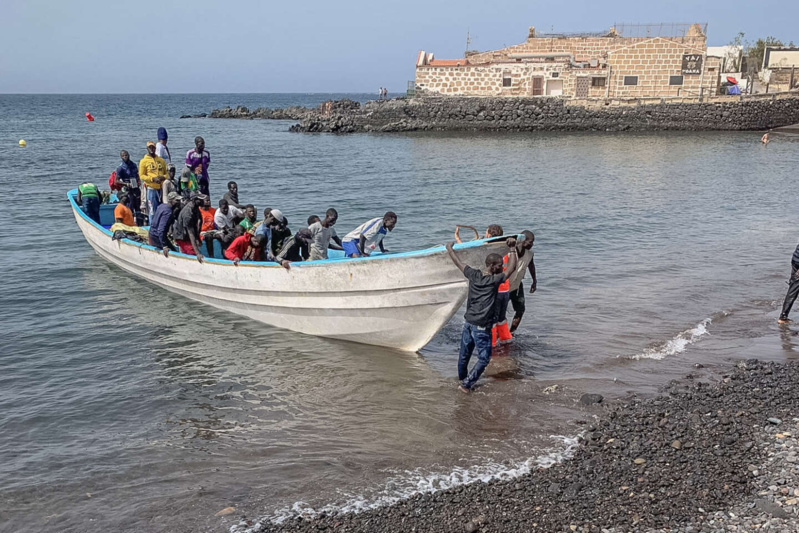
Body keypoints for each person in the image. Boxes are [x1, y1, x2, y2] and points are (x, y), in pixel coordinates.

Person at [446, 238, 518, 393]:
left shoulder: (474, 275)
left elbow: (459, 264)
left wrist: (450, 249)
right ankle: (465, 385)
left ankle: (462, 378)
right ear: (492, 266)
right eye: (499, 265)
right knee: (484, 359)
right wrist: (512, 248)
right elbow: (512, 268)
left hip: (468, 323)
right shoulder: (494, 280)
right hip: (481, 326)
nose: (502, 267)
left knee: (464, 356)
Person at [508, 231, 537, 333]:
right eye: (530, 242)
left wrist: (534, 281)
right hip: (505, 286)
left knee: (520, 310)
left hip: (517, 286)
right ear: (523, 241)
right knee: (498, 312)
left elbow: (531, 266)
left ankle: (511, 333)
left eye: (533, 243)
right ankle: (495, 333)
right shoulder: (510, 251)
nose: (531, 245)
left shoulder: (529, 254)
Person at [171, 193, 206, 261]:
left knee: (194, 250)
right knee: (192, 253)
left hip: (187, 235)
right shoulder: (188, 213)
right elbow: (191, 233)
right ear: (195, 200)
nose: (203, 202)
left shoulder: (195, 208)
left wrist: (198, 238)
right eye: (201, 200)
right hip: (181, 237)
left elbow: (198, 222)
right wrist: (197, 253)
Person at [139, 141, 168, 223]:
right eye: (150, 147)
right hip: (151, 189)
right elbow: (142, 176)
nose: (152, 149)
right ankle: (152, 227)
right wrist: (152, 179)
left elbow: (167, 174)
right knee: (152, 211)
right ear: (147, 149)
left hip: (161, 189)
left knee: (162, 210)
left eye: (153, 147)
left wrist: (163, 177)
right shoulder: (144, 161)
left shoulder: (161, 160)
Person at [148, 192, 182, 257]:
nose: (179, 202)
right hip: (156, 236)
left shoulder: (162, 206)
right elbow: (161, 230)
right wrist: (164, 246)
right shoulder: (168, 212)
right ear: (171, 200)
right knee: (173, 254)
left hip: (152, 233)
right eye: (177, 200)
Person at [116, 150, 143, 225]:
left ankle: (140, 224)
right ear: (121, 157)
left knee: (138, 207)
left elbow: (137, 175)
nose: (125, 157)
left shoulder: (133, 165)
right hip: (128, 188)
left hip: (136, 187)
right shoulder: (121, 168)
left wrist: (139, 181)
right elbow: (116, 181)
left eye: (126, 155)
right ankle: (129, 224)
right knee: (130, 207)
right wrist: (126, 184)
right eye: (123, 156)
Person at [779, 240, 799, 324]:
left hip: (796, 260)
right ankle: (783, 317)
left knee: (793, 289)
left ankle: (783, 316)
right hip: (798, 262)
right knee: (794, 289)